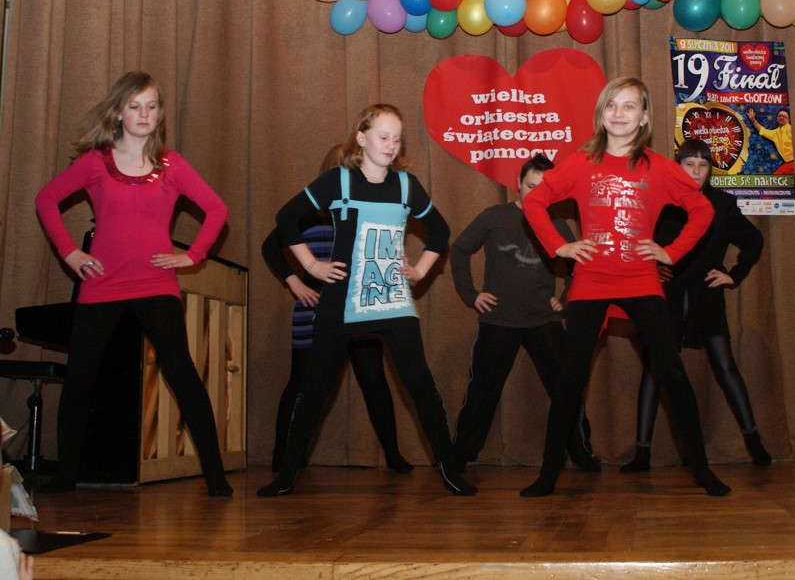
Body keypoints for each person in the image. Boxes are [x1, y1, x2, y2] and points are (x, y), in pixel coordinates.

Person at [519, 77, 729, 498]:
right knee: (569, 377)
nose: (619, 113)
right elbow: (534, 201)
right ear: (602, 114)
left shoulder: (660, 168)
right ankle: (547, 473)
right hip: (591, 280)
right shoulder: (580, 163)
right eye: (612, 105)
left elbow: (702, 210)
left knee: (671, 370)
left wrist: (671, 252)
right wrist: (560, 246)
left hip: (640, 279)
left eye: (629, 106)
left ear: (644, 117)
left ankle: (703, 471)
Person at [257, 104, 475, 497]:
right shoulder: (337, 181)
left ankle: (449, 471)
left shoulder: (407, 186)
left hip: (392, 300)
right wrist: (311, 264)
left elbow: (440, 231)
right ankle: (286, 474)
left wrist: (420, 270)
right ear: (361, 138)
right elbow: (286, 218)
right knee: (314, 389)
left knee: (421, 385)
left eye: (397, 139)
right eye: (383, 136)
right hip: (341, 301)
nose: (391, 145)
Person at [34, 71, 232, 497]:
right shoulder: (95, 163)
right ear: (119, 113)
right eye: (135, 106)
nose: (144, 114)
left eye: (151, 106)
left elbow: (217, 209)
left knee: (181, 372)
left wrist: (193, 255)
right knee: (80, 376)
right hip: (102, 284)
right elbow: (46, 200)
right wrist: (70, 253)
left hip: (156, 283)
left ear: (159, 115)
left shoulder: (171, 165)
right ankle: (66, 474)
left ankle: (216, 476)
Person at [620, 139, 770, 473]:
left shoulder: (722, 203)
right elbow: (634, 240)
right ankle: (642, 453)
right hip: (666, 295)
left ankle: (756, 445)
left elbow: (753, 240)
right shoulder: (662, 202)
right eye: (690, 164)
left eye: (703, 165)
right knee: (654, 369)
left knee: (726, 366)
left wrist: (733, 274)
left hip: (706, 293)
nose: (697, 171)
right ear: (678, 166)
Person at [262, 144, 411, 475]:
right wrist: (294, 282)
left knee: (374, 380)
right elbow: (270, 246)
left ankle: (393, 454)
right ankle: (282, 456)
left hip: (361, 309)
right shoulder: (308, 213)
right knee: (302, 383)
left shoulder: (367, 208)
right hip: (316, 310)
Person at [449, 154, 599, 473]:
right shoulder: (494, 216)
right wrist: (471, 294)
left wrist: (565, 297)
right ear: (518, 184)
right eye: (531, 186)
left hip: (543, 320)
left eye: (544, 189)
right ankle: (459, 455)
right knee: (481, 391)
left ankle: (581, 453)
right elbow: (459, 249)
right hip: (498, 319)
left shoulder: (557, 225)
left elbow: (580, 264)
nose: (535, 194)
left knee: (566, 387)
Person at [745, 107, 793, 175]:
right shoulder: (775, 133)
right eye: (780, 116)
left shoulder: (790, 129)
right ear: (776, 118)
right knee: (775, 179)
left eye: (784, 117)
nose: (781, 118)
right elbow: (763, 131)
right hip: (788, 163)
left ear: (789, 120)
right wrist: (753, 120)